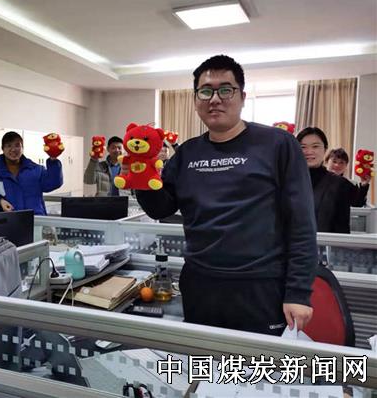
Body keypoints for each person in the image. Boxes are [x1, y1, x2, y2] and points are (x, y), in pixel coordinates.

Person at [134, 55, 317, 335]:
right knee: (203, 358)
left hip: (260, 284)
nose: (215, 99)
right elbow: (160, 209)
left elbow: (301, 223)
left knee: (257, 362)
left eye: (225, 90)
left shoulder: (278, 144)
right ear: (195, 100)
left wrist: (298, 292)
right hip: (200, 282)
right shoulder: (187, 153)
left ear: (242, 97)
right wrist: (142, 176)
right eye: (205, 91)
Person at [0, 131, 62, 215]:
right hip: (7, 223)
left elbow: (53, 183)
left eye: (17, 145)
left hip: (36, 223)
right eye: (9, 146)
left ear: (22, 148)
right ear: (3, 149)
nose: (13, 149)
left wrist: (53, 160)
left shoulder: (35, 170)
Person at [297, 128, 352, 233]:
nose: (309, 152)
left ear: (325, 149)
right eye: (303, 147)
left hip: (324, 242)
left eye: (315, 146)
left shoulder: (339, 184)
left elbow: (342, 229)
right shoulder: (286, 181)